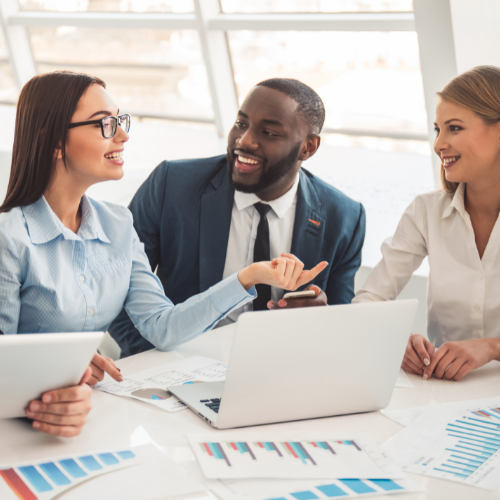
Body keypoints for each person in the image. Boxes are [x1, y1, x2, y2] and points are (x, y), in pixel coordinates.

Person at [0, 71, 327, 436]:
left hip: (94, 419)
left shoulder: (118, 224)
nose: (123, 134)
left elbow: (163, 327)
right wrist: (56, 370)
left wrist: (249, 277)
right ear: (55, 140)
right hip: (21, 428)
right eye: (105, 124)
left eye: (120, 120)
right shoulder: (8, 238)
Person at [108, 78, 366, 357]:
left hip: (282, 370)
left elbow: (339, 326)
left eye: (268, 132)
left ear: (308, 147)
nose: (244, 141)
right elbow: (114, 293)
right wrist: (156, 361)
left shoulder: (344, 217)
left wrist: (320, 319)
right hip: (178, 365)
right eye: (241, 124)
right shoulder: (172, 185)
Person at [354, 65, 500, 382]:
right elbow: (369, 300)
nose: (438, 145)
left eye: (455, 128)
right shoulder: (426, 211)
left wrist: (491, 347)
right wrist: (397, 337)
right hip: (444, 395)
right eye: (438, 130)